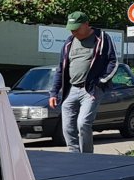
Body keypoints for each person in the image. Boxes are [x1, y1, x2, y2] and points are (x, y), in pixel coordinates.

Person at [47, 10, 117, 154]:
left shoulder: (102, 38)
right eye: (71, 29)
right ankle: (74, 155)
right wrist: (54, 92)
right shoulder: (69, 42)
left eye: (77, 29)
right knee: (67, 127)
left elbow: (113, 62)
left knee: (83, 123)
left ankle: (86, 157)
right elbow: (61, 68)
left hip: (91, 89)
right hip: (71, 89)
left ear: (86, 24)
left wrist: (100, 82)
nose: (74, 32)